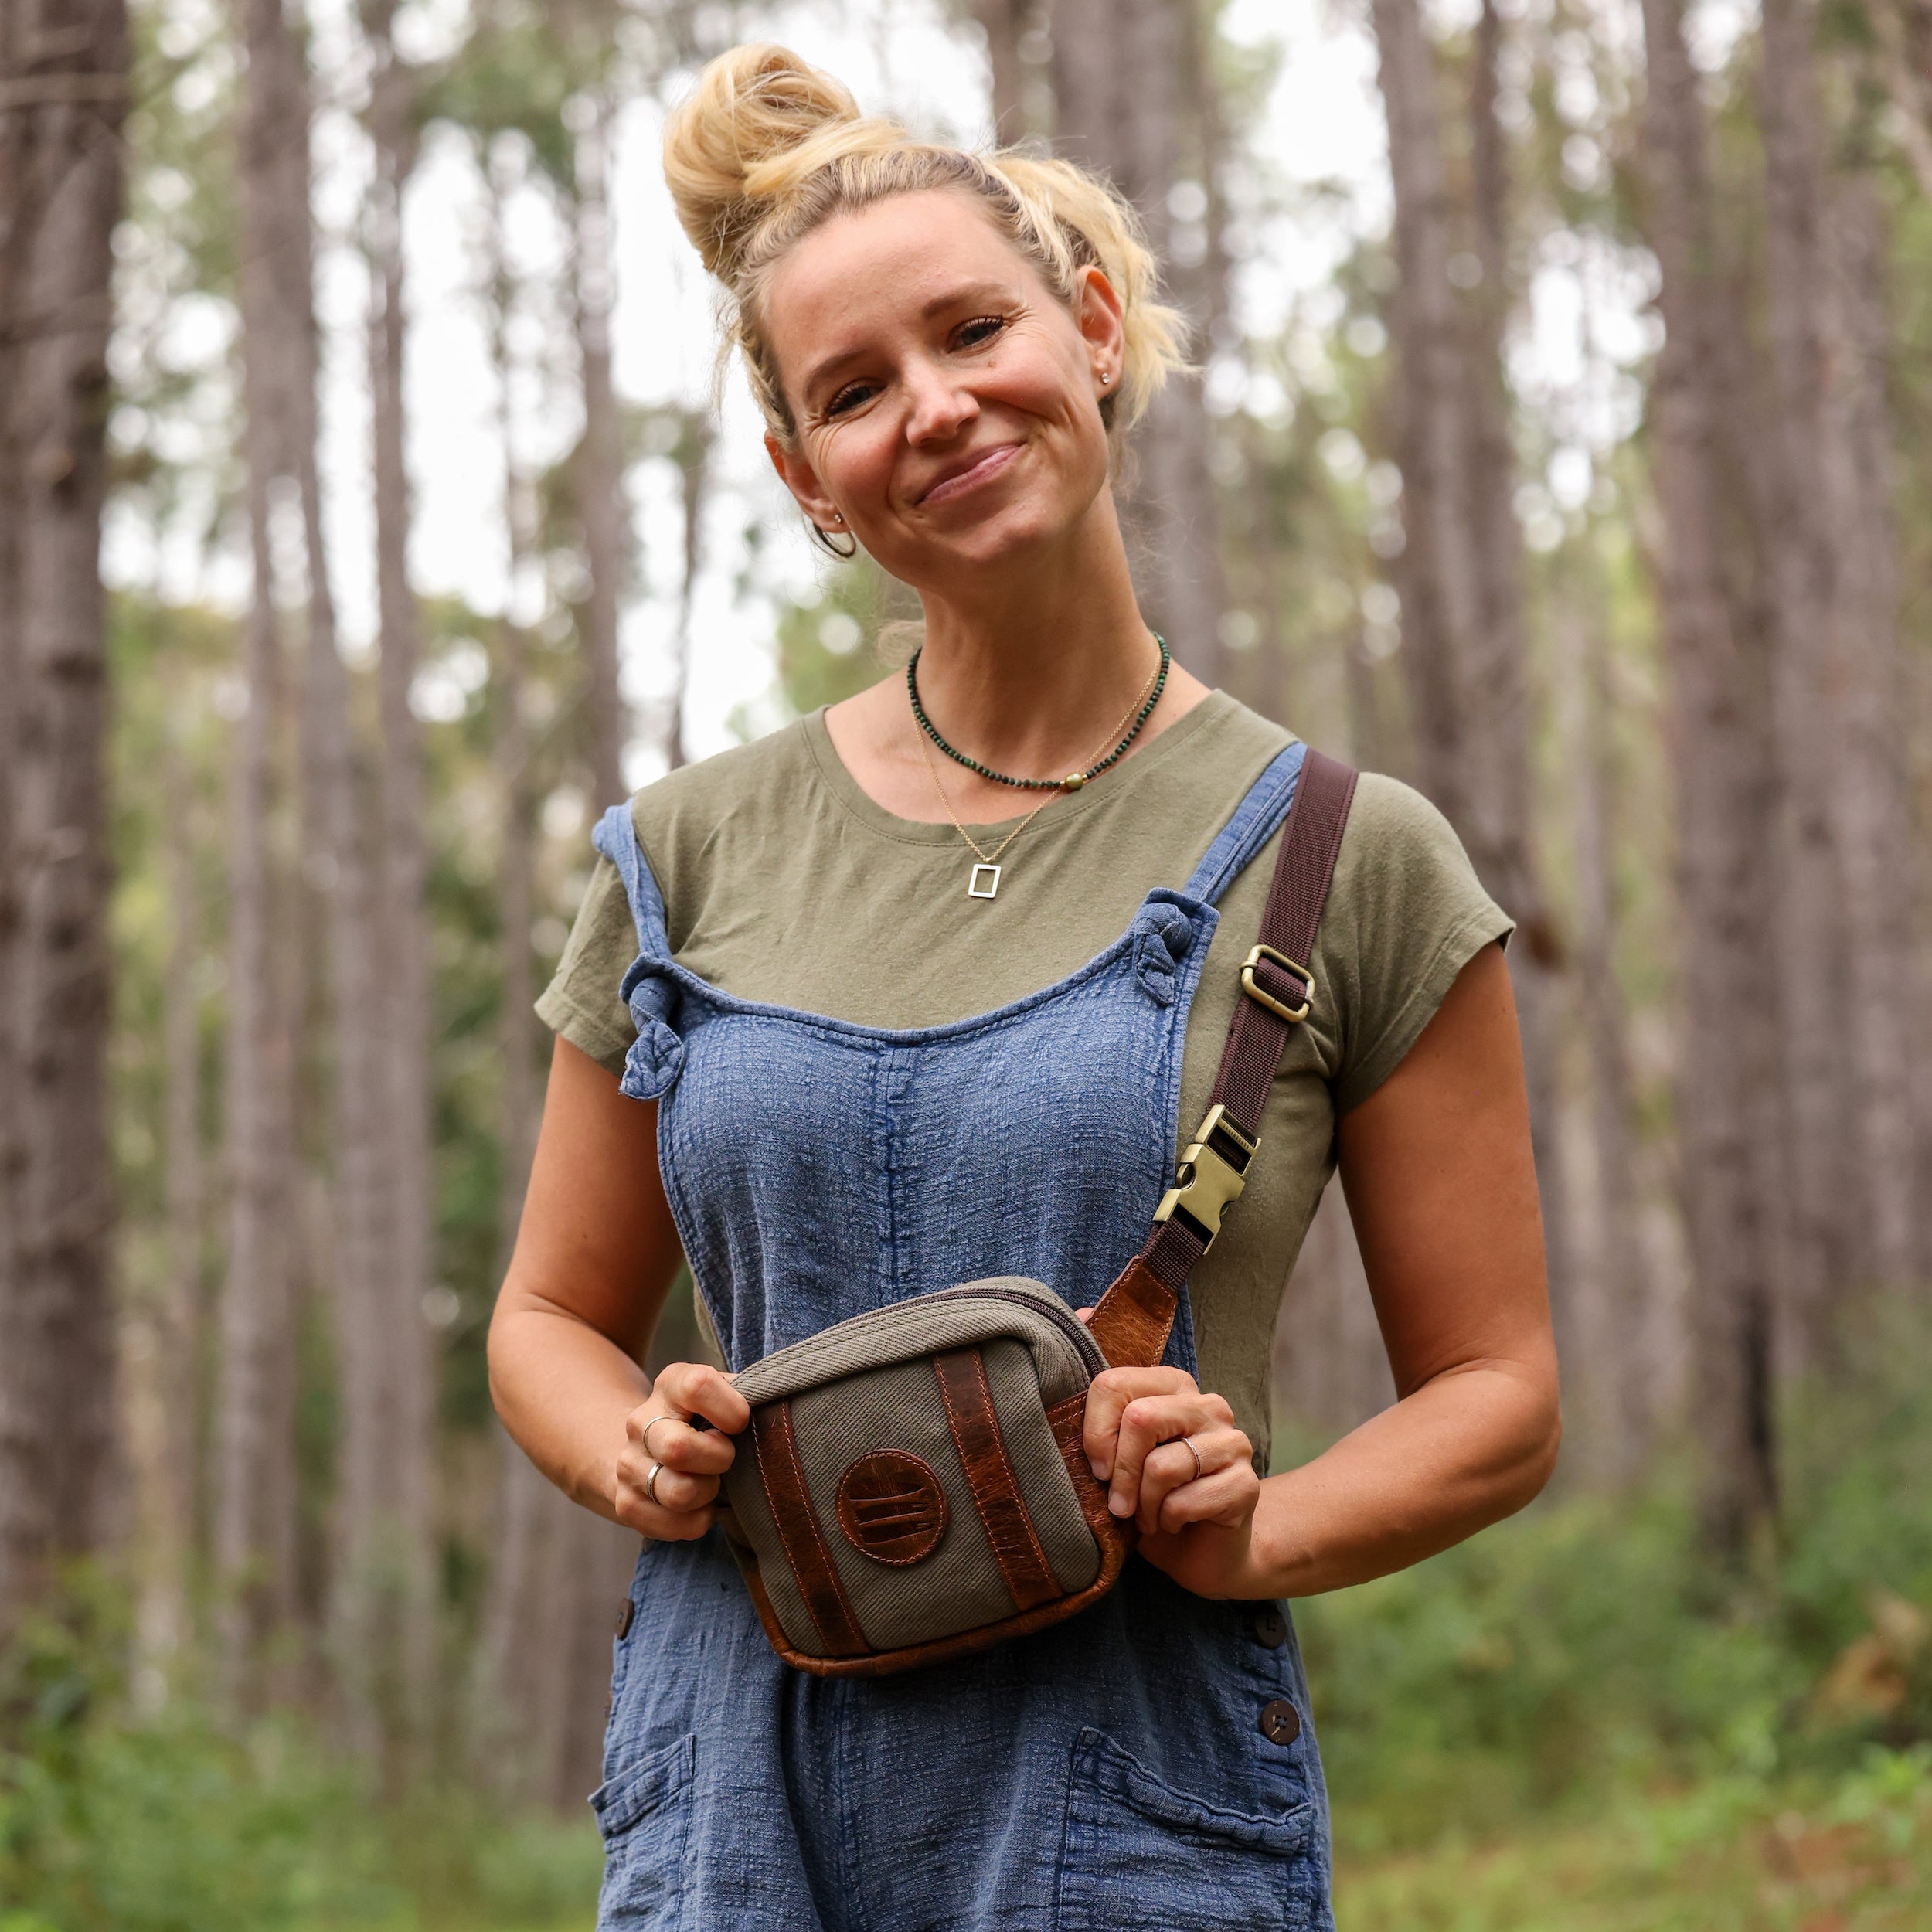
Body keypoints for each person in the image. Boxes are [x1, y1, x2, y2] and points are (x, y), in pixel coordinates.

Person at [488, 42, 1559, 1931]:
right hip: (728, 1796)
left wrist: (1258, 1527)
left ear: (1087, 326)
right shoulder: (686, 852)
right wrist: (625, 1441)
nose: (934, 405)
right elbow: (546, 1318)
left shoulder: (1344, 853)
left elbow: (1498, 1389)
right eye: (851, 390)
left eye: (972, 329)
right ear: (804, 477)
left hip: (1130, 1802)